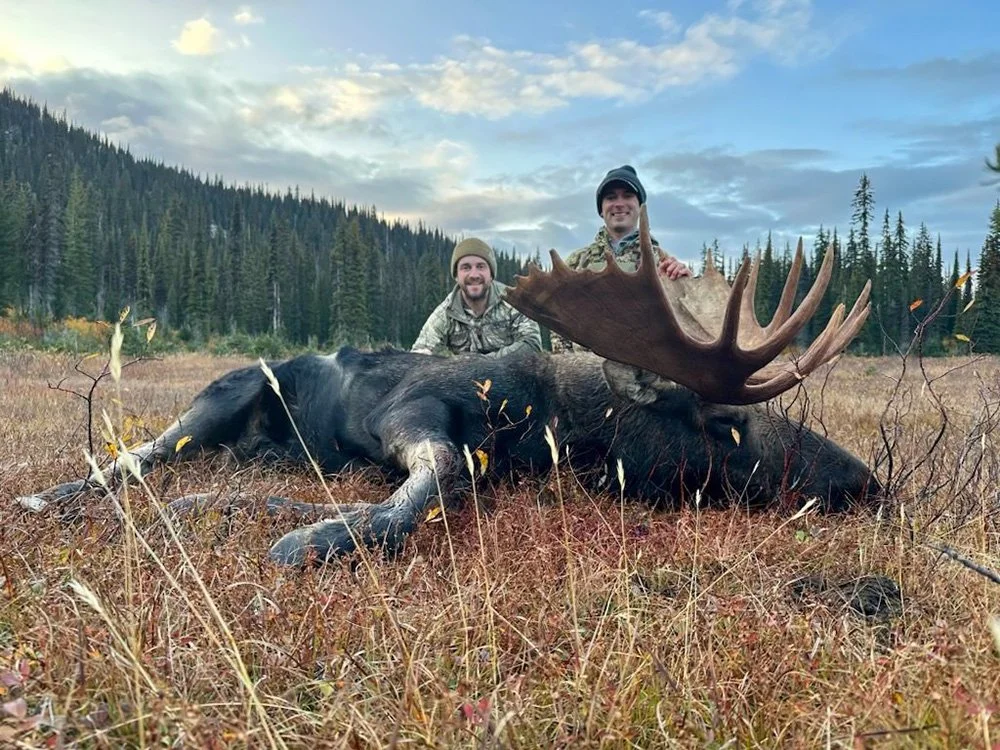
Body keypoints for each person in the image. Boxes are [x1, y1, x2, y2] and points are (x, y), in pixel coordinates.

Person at [553, 164, 692, 353]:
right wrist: (568, 367)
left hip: (647, 374)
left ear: (640, 207)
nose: (619, 203)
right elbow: (558, 321)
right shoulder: (576, 263)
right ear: (601, 210)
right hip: (585, 373)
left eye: (627, 195)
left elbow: (686, 326)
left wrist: (686, 285)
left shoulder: (664, 263)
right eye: (610, 197)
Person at [411, 237, 543, 357]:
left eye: (481, 267)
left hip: (509, 378)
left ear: (491, 275)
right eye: (466, 268)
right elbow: (420, 354)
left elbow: (532, 345)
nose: (474, 275)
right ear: (456, 276)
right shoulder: (446, 312)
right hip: (463, 380)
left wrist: (483, 364)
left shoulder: (513, 303)